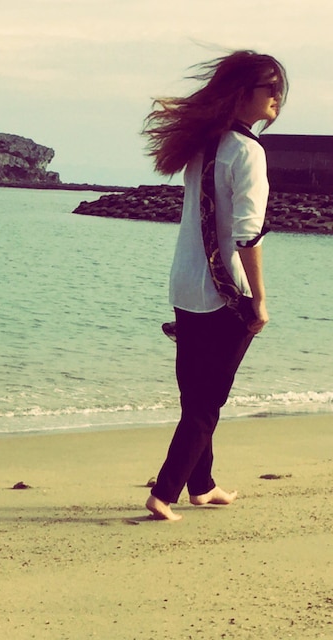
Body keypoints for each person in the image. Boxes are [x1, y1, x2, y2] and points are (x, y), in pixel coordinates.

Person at [141, 50, 288, 520]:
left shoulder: (205, 145)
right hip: (227, 293)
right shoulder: (248, 152)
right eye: (270, 88)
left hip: (186, 285)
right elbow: (248, 233)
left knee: (195, 396)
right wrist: (259, 299)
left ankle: (201, 486)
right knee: (207, 403)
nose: (278, 96)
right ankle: (164, 492)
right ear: (243, 93)